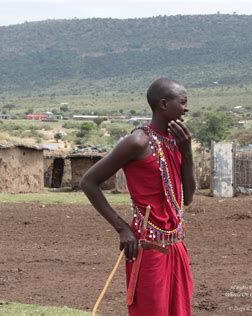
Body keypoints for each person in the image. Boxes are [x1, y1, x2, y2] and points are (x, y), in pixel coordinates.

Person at [81, 78, 196, 315]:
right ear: (164, 104)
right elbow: (89, 182)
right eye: (183, 102)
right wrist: (121, 228)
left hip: (176, 244)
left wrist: (187, 151)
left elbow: (189, 197)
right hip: (148, 245)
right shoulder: (137, 142)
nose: (187, 108)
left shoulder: (176, 141)